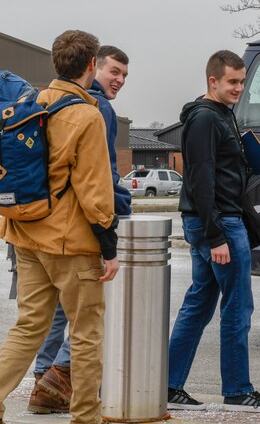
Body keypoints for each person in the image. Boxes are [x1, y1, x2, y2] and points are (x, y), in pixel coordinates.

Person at [0, 29, 119, 424]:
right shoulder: (87, 115)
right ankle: (86, 417)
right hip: (71, 244)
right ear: (91, 65)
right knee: (86, 335)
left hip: (26, 235)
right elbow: (95, 190)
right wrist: (108, 244)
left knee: (29, 327)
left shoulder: (32, 102)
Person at [167, 50, 260, 413]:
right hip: (219, 223)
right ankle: (237, 391)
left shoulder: (221, 115)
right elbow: (200, 178)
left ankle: (168, 386)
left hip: (215, 221)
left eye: (242, 82)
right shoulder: (204, 119)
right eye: (232, 82)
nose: (239, 88)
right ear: (212, 81)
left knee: (200, 302)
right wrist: (215, 235)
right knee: (238, 306)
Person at [27, 45, 132, 414]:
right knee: (85, 323)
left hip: (35, 224)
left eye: (124, 75)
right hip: (75, 227)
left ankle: (44, 383)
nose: (118, 80)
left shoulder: (43, 100)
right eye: (113, 71)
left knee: (45, 316)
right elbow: (99, 177)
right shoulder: (95, 109)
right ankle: (66, 389)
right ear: (93, 67)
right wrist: (114, 223)